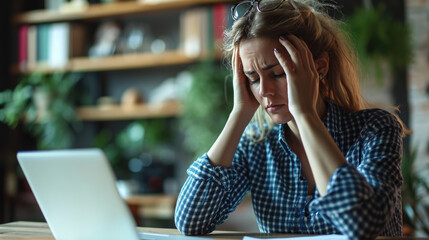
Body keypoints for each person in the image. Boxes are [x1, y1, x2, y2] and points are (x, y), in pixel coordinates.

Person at [174, 0, 408, 239]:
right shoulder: (256, 144)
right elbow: (190, 221)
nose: (264, 90)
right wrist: (240, 112)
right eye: (253, 78)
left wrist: (305, 114)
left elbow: (363, 225)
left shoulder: (375, 129)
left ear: (320, 67)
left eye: (277, 74)